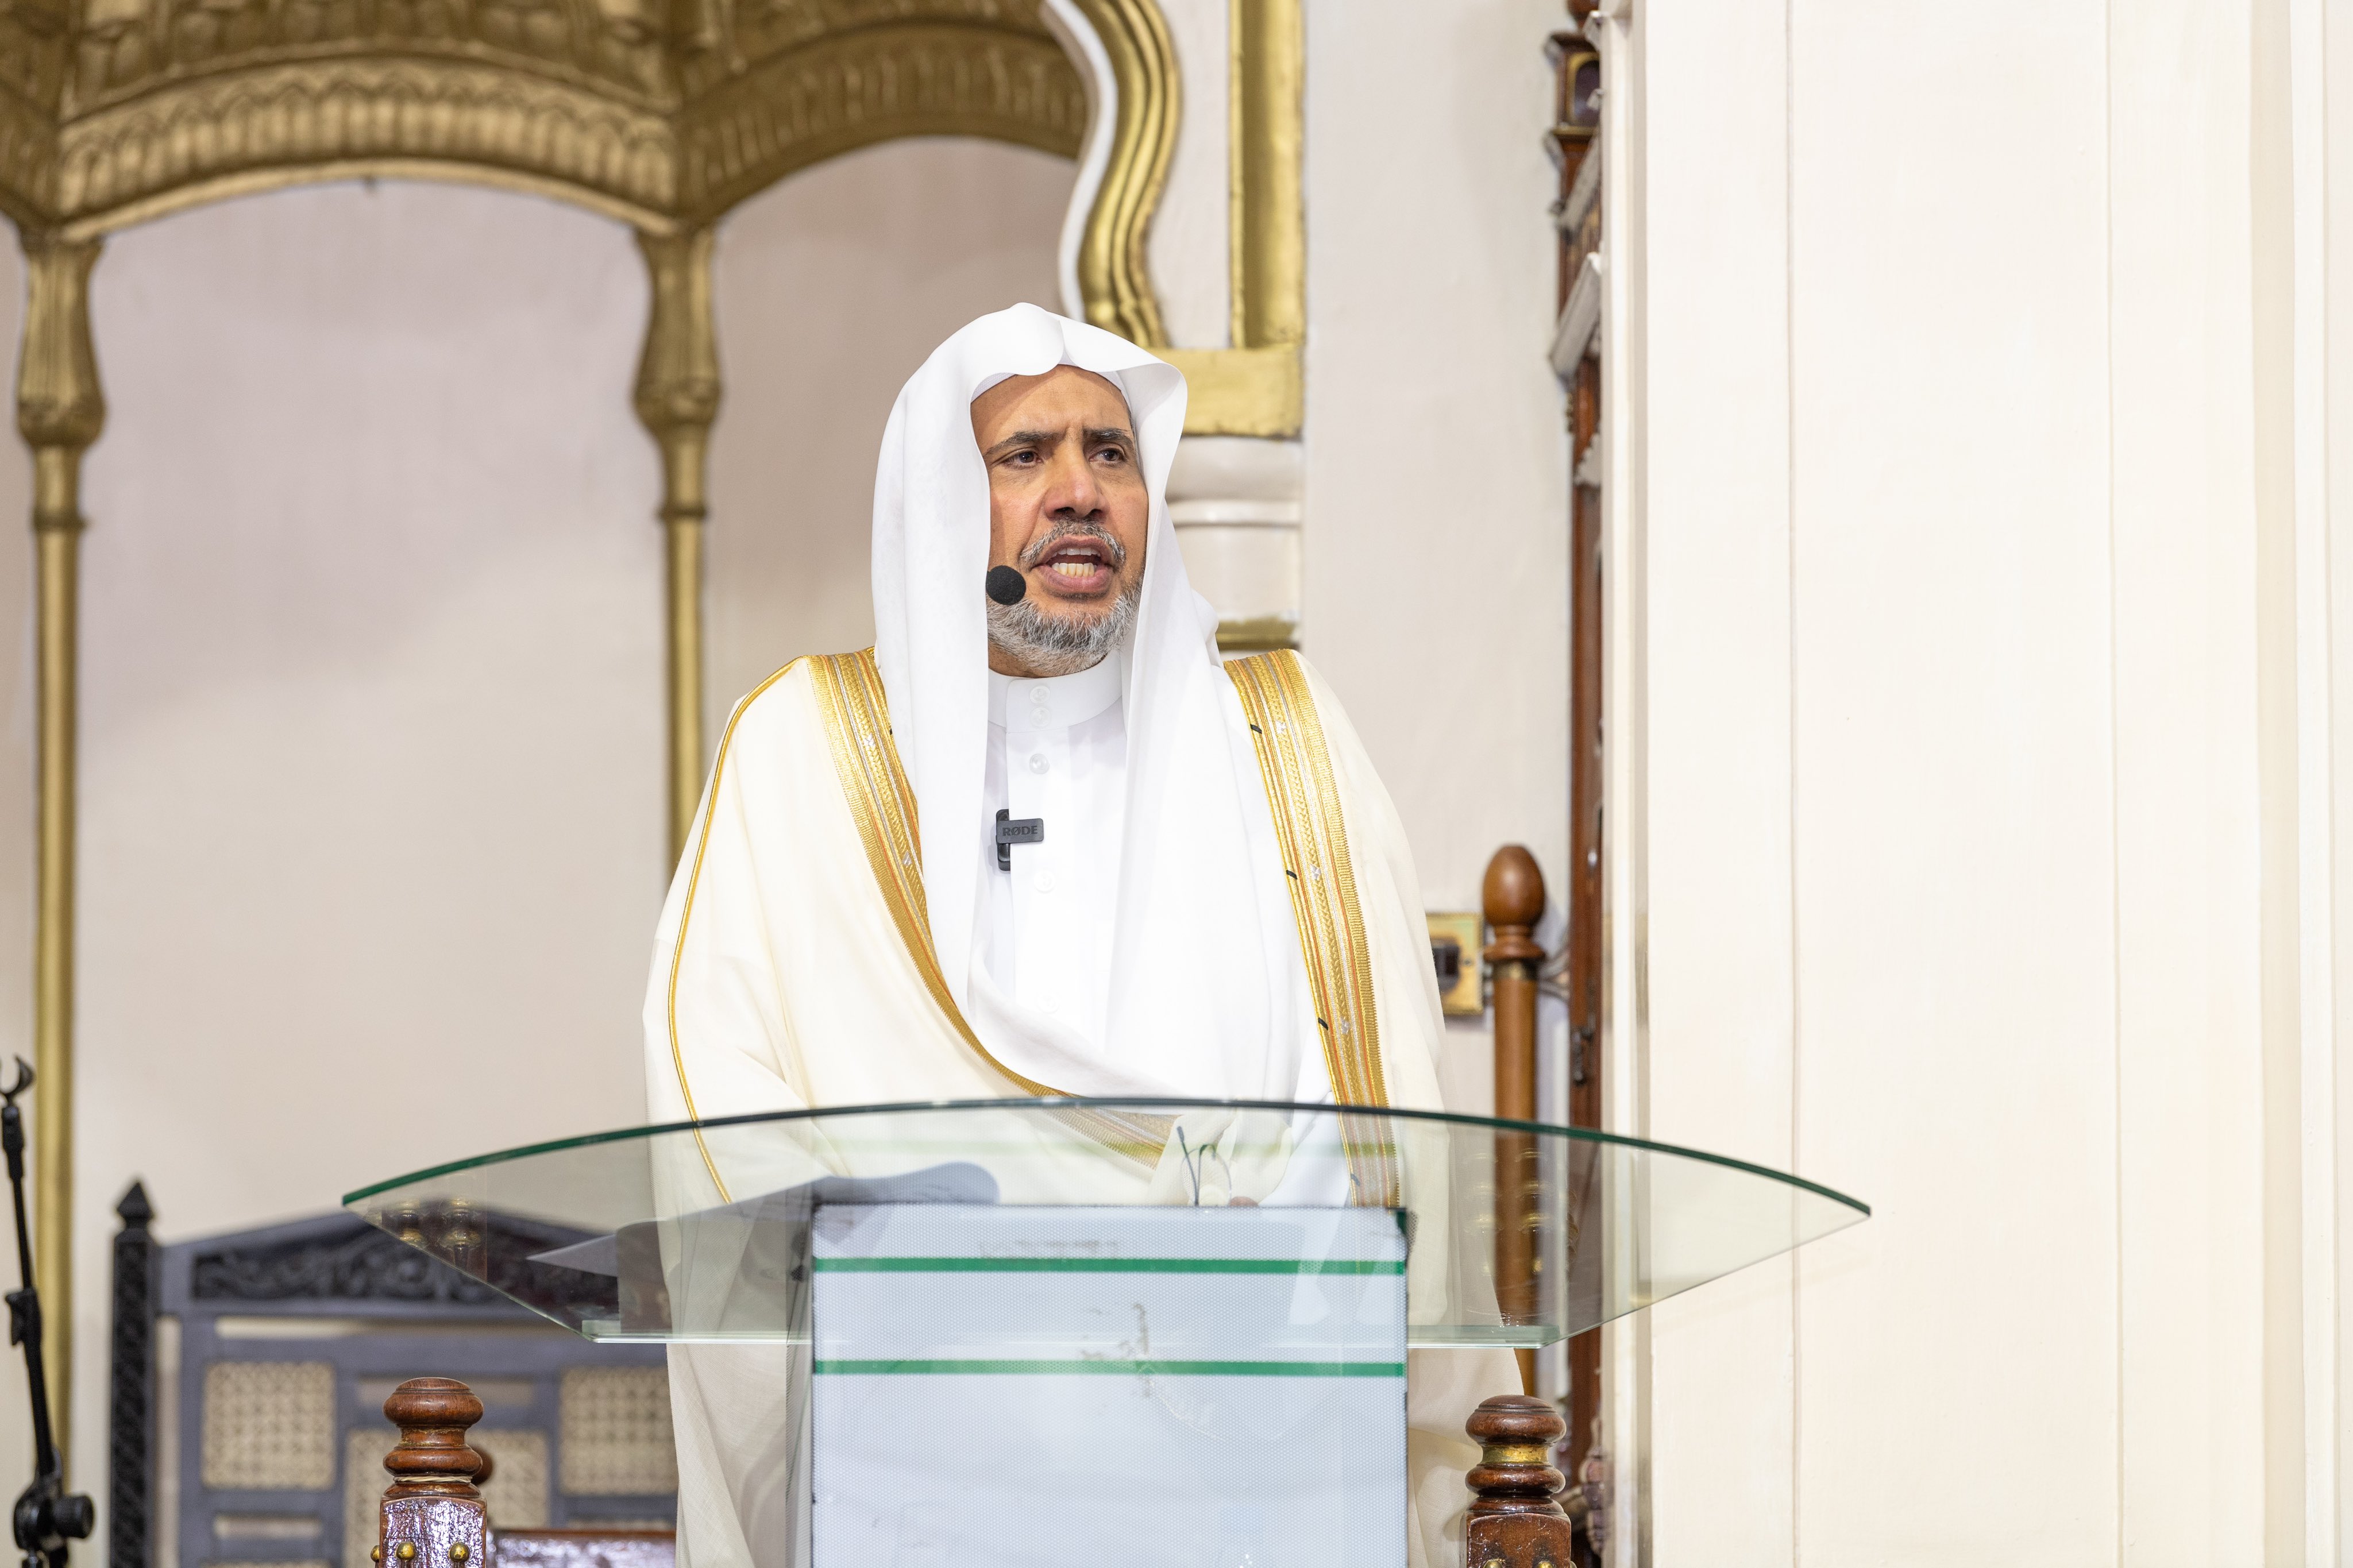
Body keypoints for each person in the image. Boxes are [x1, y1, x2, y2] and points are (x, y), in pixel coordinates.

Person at [645, 304, 1510, 1568]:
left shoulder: (1280, 741)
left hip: (1248, 1465)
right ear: (944, 503)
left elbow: (1382, 1118)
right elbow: (714, 1108)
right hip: (922, 1472)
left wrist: (1204, 1330)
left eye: (1110, 454)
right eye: (1024, 457)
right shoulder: (803, 754)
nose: (1078, 494)